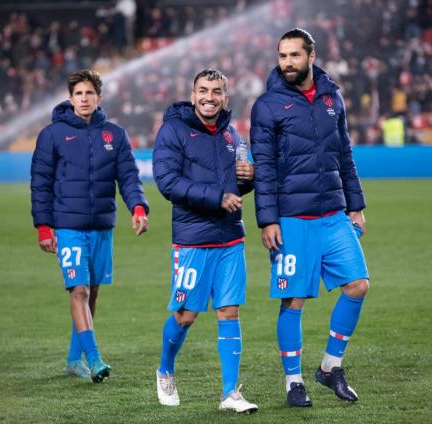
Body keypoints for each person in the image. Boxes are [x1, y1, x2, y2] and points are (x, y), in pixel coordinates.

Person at [250, 28, 370, 408]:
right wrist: (268, 220)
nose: (286, 63)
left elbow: (345, 155)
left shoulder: (332, 97)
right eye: (282, 56)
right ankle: (293, 382)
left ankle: (330, 366)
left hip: (334, 213)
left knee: (358, 285)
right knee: (294, 301)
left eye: (294, 56)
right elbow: (264, 167)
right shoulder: (267, 106)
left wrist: (356, 204)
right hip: (292, 218)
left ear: (311, 55)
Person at [31, 69, 149, 383]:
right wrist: (44, 226)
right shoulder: (52, 134)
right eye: (78, 94)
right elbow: (40, 183)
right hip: (68, 225)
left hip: (101, 225)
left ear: (99, 97)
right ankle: (94, 359)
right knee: (78, 289)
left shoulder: (115, 134)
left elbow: (128, 177)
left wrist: (138, 207)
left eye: (89, 93)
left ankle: (73, 358)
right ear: (70, 99)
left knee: (92, 291)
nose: (84, 99)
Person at [153, 69, 258, 414]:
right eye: (203, 90)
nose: (209, 97)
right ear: (192, 93)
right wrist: (217, 197)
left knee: (229, 311)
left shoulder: (232, 134)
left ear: (226, 97)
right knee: (186, 315)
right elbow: (167, 182)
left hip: (230, 235)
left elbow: (238, 183)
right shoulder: (173, 131)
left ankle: (230, 393)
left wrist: (249, 178)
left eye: (216, 91)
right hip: (193, 238)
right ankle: (165, 370)